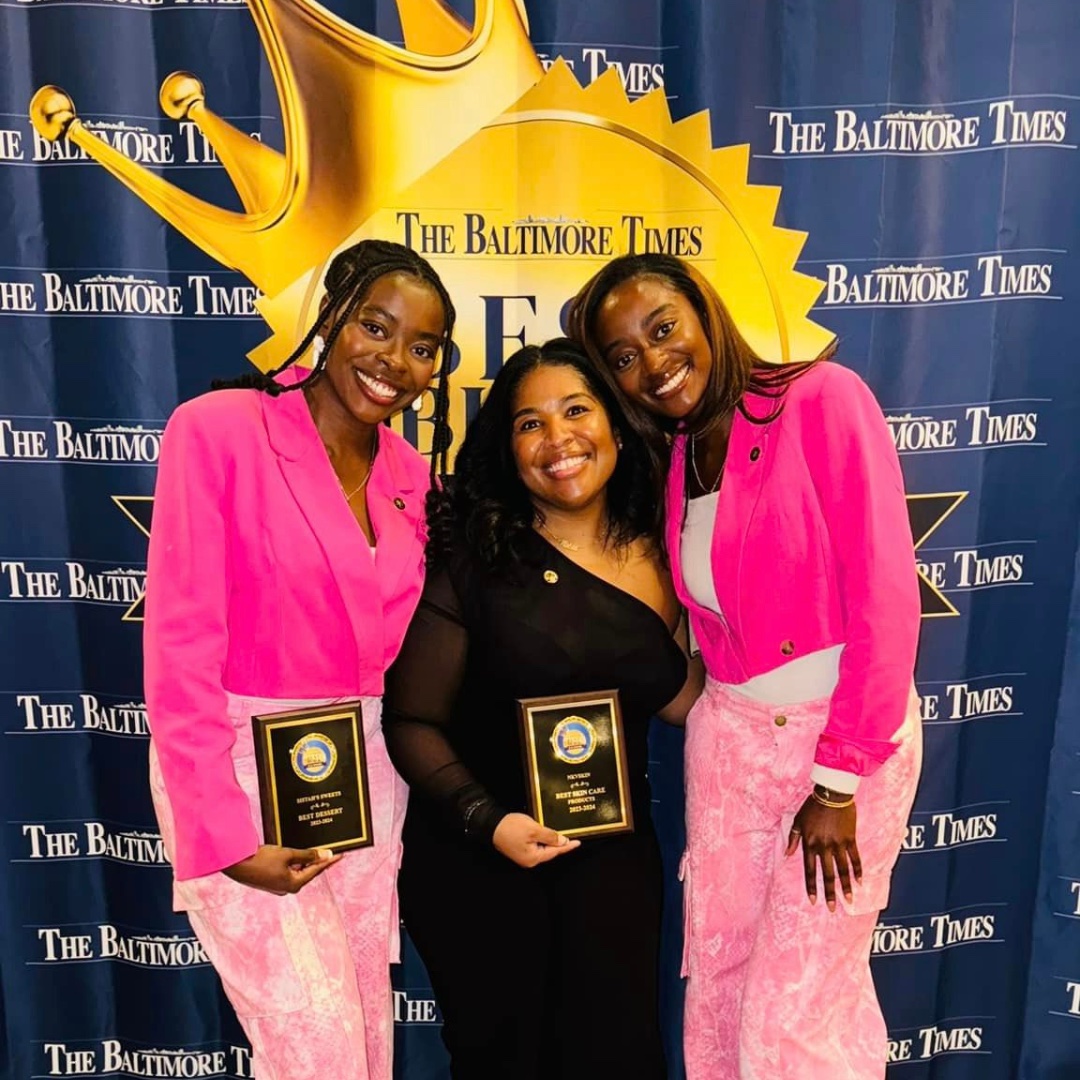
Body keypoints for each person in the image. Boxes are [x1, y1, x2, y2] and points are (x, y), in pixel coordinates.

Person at [567, 253, 923, 1079]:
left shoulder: (821, 401)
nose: (653, 363)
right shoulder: (677, 456)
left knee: (797, 1012)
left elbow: (885, 598)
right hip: (729, 748)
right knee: (720, 990)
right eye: (623, 356)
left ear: (704, 309)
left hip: (838, 750)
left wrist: (838, 785)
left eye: (662, 329)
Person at [143, 238, 456, 1080]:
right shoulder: (219, 431)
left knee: (360, 1038)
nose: (395, 360)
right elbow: (179, 647)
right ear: (330, 319)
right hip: (242, 771)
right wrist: (222, 832)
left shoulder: (407, 473)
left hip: (358, 783)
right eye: (376, 327)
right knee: (315, 1048)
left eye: (423, 347)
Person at [381, 339, 703, 1080]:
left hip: (612, 859)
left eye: (576, 410)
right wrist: (488, 821)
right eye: (529, 423)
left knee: (617, 1056)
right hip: (483, 861)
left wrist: (790, 709)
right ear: (508, 448)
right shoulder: (475, 556)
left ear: (616, 428)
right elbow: (411, 720)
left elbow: (679, 697)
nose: (558, 439)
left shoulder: (662, 553)